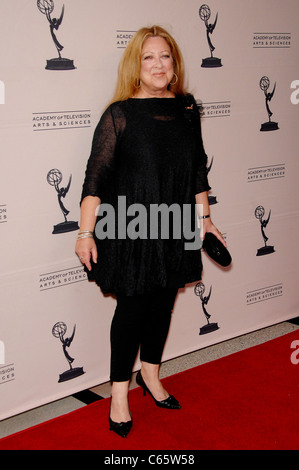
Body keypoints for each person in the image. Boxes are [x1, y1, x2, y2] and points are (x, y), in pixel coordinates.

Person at [75, 25, 225, 438]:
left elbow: (197, 170)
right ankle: (119, 393)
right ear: (136, 66)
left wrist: (205, 219)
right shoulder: (118, 115)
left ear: (174, 65)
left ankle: (152, 376)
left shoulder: (188, 109)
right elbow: (95, 181)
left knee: (163, 306)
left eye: (165, 57)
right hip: (130, 228)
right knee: (131, 311)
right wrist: (85, 233)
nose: (158, 65)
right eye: (148, 58)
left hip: (176, 225)